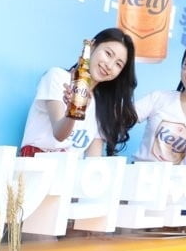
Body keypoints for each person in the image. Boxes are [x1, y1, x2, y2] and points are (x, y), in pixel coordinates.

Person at [19, 27, 137, 157]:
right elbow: (59, 135)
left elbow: (93, 159)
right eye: (108, 54)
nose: (109, 66)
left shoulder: (102, 107)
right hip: (36, 168)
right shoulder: (58, 77)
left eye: (118, 64)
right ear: (92, 47)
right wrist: (73, 111)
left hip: (70, 173)